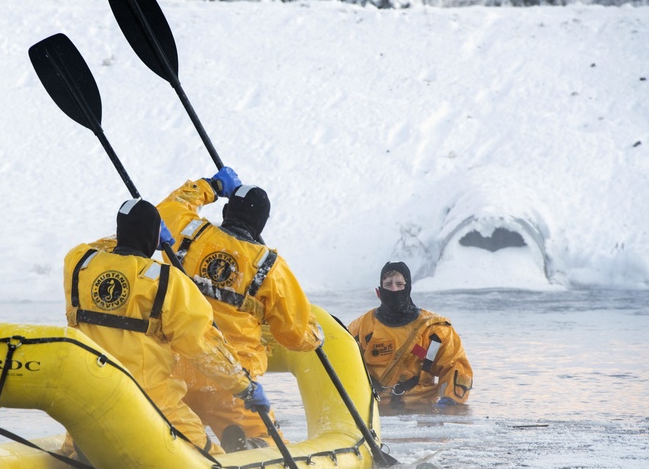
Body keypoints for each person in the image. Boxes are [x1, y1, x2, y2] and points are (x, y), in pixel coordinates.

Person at [62, 198, 268, 456]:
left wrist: (133, 233)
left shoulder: (79, 263)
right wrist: (243, 386)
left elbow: (97, 246)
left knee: (70, 451)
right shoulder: (167, 282)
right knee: (211, 460)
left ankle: (79, 458)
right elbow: (202, 347)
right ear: (154, 236)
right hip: (152, 400)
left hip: (90, 395)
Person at [157, 167, 323, 451]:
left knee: (168, 430)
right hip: (231, 379)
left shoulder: (189, 232)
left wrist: (211, 185)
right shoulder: (270, 267)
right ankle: (252, 446)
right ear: (261, 223)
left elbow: (167, 209)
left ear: (226, 213)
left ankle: (174, 446)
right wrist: (315, 334)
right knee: (274, 447)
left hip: (176, 369)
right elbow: (295, 335)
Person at [348, 261, 472, 407]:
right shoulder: (362, 327)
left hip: (420, 408)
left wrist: (449, 401)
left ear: (408, 288)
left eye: (399, 284)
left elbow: (455, 365)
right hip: (373, 410)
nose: (394, 290)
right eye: (388, 284)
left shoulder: (434, 330)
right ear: (379, 292)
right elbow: (343, 364)